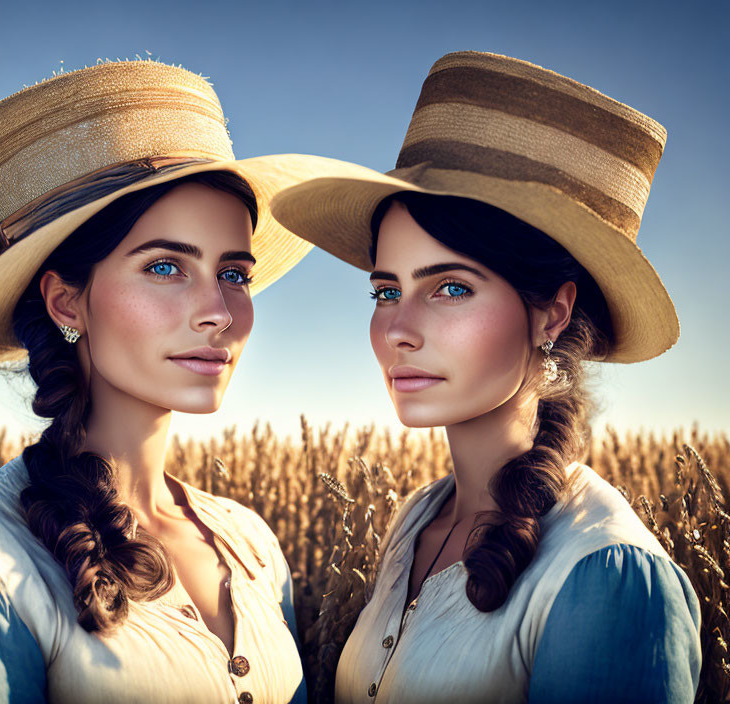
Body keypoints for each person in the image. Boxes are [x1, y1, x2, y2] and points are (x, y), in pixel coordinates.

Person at [0, 59, 347, 703]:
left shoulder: (252, 546)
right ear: (67, 303)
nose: (218, 309)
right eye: (164, 267)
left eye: (233, 273)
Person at [270, 51, 701, 702]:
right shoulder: (417, 520)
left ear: (551, 312)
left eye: (449, 287)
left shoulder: (606, 574)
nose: (397, 330)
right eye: (386, 291)